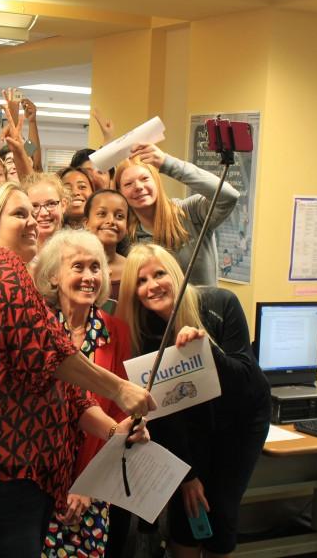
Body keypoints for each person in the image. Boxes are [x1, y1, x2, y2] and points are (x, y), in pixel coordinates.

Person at [0, 182, 155, 558]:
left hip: (8, 477)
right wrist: (119, 390)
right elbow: (47, 353)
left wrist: (113, 430)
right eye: (19, 214)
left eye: (33, 213)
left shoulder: (17, 284)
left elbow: (67, 391)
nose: (33, 221)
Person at [117, 244, 271, 558]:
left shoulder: (221, 303)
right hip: (186, 428)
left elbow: (245, 381)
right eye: (142, 281)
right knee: (188, 512)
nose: (153, 285)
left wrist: (205, 349)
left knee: (222, 511)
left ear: (175, 273)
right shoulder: (144, 335)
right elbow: (162, 415)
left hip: (242, 421)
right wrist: (187, 475)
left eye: (159, 273)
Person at [34, 229, 135, 558]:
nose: (89, 276)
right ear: (53, 276)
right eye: (78, 267)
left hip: (91, 484)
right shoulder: (38, 327)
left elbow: (122, 417)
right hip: (36, 484)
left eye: (96, 267)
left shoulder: (116, 331)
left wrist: (89, 486)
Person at [115, 144, 239, 286]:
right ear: (120, 192)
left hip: (203, 308)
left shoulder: (191, 212)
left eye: (144, 179)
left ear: (156, 181)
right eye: (128, 184)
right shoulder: (126, 237)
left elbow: (229, 195)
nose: (138, 186)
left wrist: (167, 163)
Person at [83, 189, 129, 310]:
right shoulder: (70, 264)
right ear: (86, 223)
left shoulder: (133, 268)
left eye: (119, 216)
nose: (111, 221)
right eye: (102, 214)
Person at [22, 172, 67, 251]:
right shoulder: (16, 255)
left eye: (51, 204)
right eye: (34, 206)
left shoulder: (77, 249)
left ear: (63, 205)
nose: (43, 213)